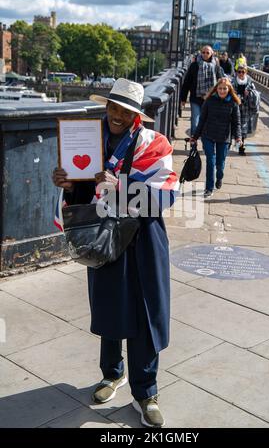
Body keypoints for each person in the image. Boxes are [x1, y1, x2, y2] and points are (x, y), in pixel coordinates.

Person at [52, 78, 179, 428]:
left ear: (137, 114)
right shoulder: (92, 139)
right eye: (112, 107)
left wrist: (118, 185)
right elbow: (83, 191)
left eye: (125, 110)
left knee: (146, 312)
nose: (117, 115)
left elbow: (166, 195)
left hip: (144, 239)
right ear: (106, 107)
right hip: (105, 236)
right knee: (109, 306)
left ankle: (146, 391)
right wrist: (68, 183)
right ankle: (112, 374)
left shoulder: (156, 143)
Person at [191, 77, 242, 198]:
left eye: (225, 88)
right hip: (208, 135)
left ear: (229, 89)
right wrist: (195, 136)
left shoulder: (233, 104)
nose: (222, 91)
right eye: (220, 88)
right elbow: (202, 120)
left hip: (224, 137)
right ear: (216, 89)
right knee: (210, 161)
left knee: (220, 164)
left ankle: (219, 177)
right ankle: (209, 188)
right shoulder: (209, 101)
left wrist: (238, 137)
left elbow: (237, 122)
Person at [180, 45, 223, 136]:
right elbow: (187, 82)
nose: (205, 54)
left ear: (212, 53)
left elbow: (220, 82)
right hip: (196, 98)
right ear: (200, 53)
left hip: (211, 99)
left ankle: (206, 144)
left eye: (208, 52)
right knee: (194, 122)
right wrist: (183, 99)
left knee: (208, 123)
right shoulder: (194, 65)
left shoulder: (216, 66)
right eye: (203, 52)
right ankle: (193, 143)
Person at [232, 65, 260, 155]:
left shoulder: (250, 82)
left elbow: (256, 94)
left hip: (245, 108)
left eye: (243, 72)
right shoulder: (233, 81)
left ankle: (241, 148)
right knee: (234, 126)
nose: (241, 74)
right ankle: (232, 143)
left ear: (246, 72)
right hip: (235, 107)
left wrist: (249, 93)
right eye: (239, 72)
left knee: (243, 128)